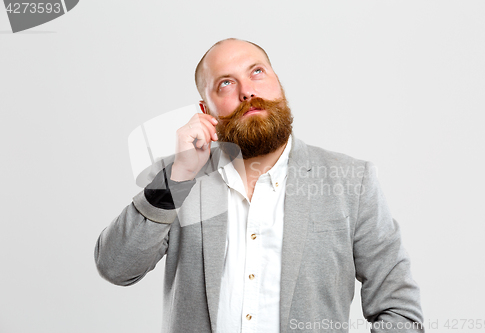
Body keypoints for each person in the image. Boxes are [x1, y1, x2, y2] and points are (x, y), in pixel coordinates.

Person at [95, 38, 424, 333]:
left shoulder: (352, 181)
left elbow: (400, 311)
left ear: (278, 83)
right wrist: (178, 176)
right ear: (205, 110)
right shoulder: (178, 177)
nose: (246, 92)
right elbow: (116, 267)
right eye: (226, 83)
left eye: (257, 72)